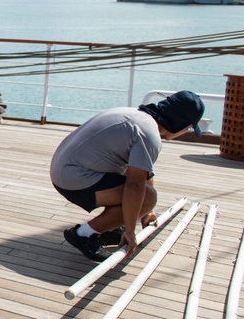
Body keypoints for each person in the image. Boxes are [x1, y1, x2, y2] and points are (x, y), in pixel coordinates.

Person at [51, 90, 205, 262]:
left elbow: (143, 174)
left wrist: (147, 212)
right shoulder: (149, 135)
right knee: (147, 197)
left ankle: (111, 230)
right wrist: (130, 232)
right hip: (73, 178)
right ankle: (82, 235)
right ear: (180, 123)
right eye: (189, 127)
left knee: (144, 198)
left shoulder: (135, 115)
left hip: (64, 169)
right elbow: (135, 186)